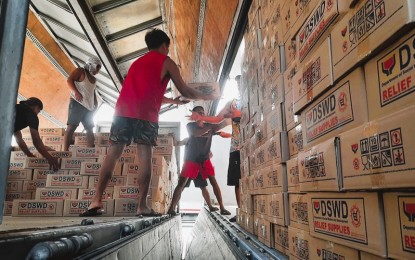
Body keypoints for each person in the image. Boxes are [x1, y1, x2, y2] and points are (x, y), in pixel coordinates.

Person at [80, 29, 213, 217]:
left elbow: (147, 92)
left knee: (113, 154)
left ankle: (95, 200)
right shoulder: (166, 61)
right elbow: (184, 88)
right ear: (164, 45)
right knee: (144, 156)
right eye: (168, 47)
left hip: (122, 113)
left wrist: (174, 102)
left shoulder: (136, 63)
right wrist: (204, 96)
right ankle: (141, 206)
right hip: (145, 116)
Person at [167, 106, 234, 216]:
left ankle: (222, 207)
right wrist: (211, 126)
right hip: (191, 160)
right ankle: (171, 208)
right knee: (181, 184)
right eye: (198, 112)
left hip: (204, 160)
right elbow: (196, 134)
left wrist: (229, 125)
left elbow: (223, 131)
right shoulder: (191, 126)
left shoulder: (210, 126)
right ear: (194, 115)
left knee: (212, 182)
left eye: (202, 112)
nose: (201, 114)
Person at [64, 56, 101, 151]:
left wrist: (95, 103)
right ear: (92, 65)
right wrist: (76, 92)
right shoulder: (80, 71)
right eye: (97, 68)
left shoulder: (94, 79)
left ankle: (90, 150)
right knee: (71, 126)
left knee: (89, 128)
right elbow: (69, 80)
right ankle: (65, 151)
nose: (98, 71)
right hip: (77, 103)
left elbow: (92, 92)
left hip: (88, 107)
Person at [13, 97, 59, 170]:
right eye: (39, 111)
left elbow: (19, 139)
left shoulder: (16, 108)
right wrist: (49, 158)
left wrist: (29, 154)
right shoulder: (32, 115)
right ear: (36, 106)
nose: (37, 113)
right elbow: (36, 141)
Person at [174, 137, 218, 212]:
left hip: (198, 167)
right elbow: (177, 143)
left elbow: (210, 154)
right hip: (189, 166)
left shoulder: (201, 141)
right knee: (181, 187)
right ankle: (172, 208)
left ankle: (210, 206)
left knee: (203, 187)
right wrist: (173, 137)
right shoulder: (188, 139)